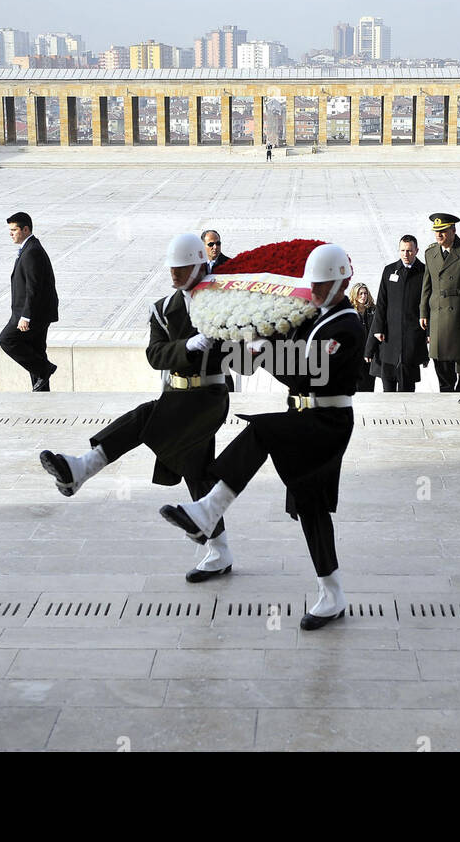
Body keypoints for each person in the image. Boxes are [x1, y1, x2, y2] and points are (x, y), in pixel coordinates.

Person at [159, 243, 364, 630]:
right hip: (303, 416)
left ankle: (208, 509)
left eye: (322, 285)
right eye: (313, 284)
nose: (315, 291)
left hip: (328, 422)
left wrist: (266, 352)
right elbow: (283, 354)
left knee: (263, 430)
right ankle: (332, 593)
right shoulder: (314, 316)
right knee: (311, 507)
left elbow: (309, 371)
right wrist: (249, 346)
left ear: (342, 282)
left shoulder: (346, 325)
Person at [40, 234, 234, 581]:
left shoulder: (222, 301)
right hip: (177, 394)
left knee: (146, 417)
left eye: (181, 268)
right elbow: (154, 354)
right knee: (197, 471)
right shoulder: (162, 309)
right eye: (171, 269)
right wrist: (187, 345)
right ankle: (219, 550)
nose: (174, 274)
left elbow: (240, 345)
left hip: (209, 396)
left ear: (199, 265)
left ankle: (82, 467)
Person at [0, 212, 60, 392]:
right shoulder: (30, 248)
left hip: (32, 314)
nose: (11, 234)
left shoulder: (32, 251)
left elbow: (34, 288)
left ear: (26, 229)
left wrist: (26, 316)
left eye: (14, 230)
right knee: (36, 351)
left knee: (7, 340)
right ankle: (42, 392)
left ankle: (45, 369)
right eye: (10, 230)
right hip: (38, 313)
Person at [420, 213, 460, 392]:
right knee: (440, 360)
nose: (439, 235)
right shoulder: (431, 253)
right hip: (438, 315)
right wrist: (423, 312)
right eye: (436, 232)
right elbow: (427, 285)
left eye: (443, 231)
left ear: (453, 230)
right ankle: (445, 392)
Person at [372, 235, 428, 392]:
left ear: (416, 250)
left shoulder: (424, 272)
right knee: (388, 384)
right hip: (390, 336)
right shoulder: (390, 270)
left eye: (409, 251)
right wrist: (378, 329)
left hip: (413, 335)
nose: (406, 254)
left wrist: (428, 333)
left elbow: (428, 305)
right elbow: (382, 302)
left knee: (408, 386)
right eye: (403, 250)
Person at [350, 283, 379, 391]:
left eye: (365, 293)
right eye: (360, 293)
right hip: (355, 355)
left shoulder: (374, 310)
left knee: (369, 386)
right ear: (354, 295)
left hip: (370, 355)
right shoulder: (349, 311)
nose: (363, 296)